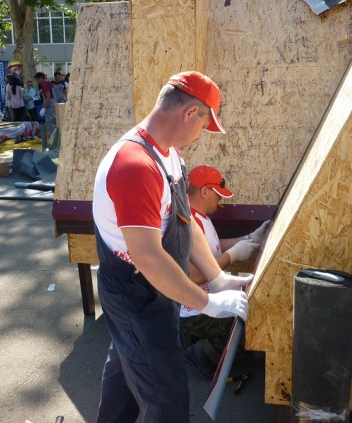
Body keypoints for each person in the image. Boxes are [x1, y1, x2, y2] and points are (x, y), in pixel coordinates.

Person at [93, 70, 250, 422]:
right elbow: (148, 257)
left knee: (125, 381)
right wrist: (208, 304)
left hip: (159, 290)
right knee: (166, 401)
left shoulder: (171, 158)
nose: (200, 136)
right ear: (189, 112)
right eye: (203, 126)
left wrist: (218, 279)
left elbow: (184, 223)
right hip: (135, 294)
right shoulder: (135, 166)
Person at [180, 165, 271, 379]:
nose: (220, 199)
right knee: (246, 326)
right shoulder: (190, 221)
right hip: (194, 311)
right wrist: (233, 255)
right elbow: (194, 276)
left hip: (204, 301)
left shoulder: (199, 217)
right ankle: (200, 352)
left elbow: (213, 247)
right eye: (218, 193)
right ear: (204, 191)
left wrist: (249, 238)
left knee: (247, 316)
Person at [34, 72, 56, 144]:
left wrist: (44, 108)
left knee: (50, 124)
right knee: (54, 123)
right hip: (53, 104)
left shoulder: (45, 86)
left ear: (41, 78)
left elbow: (48, 98)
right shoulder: (49, 83)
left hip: (50, 106)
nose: (37, 82)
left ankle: (53, 142)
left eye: (37, 80)